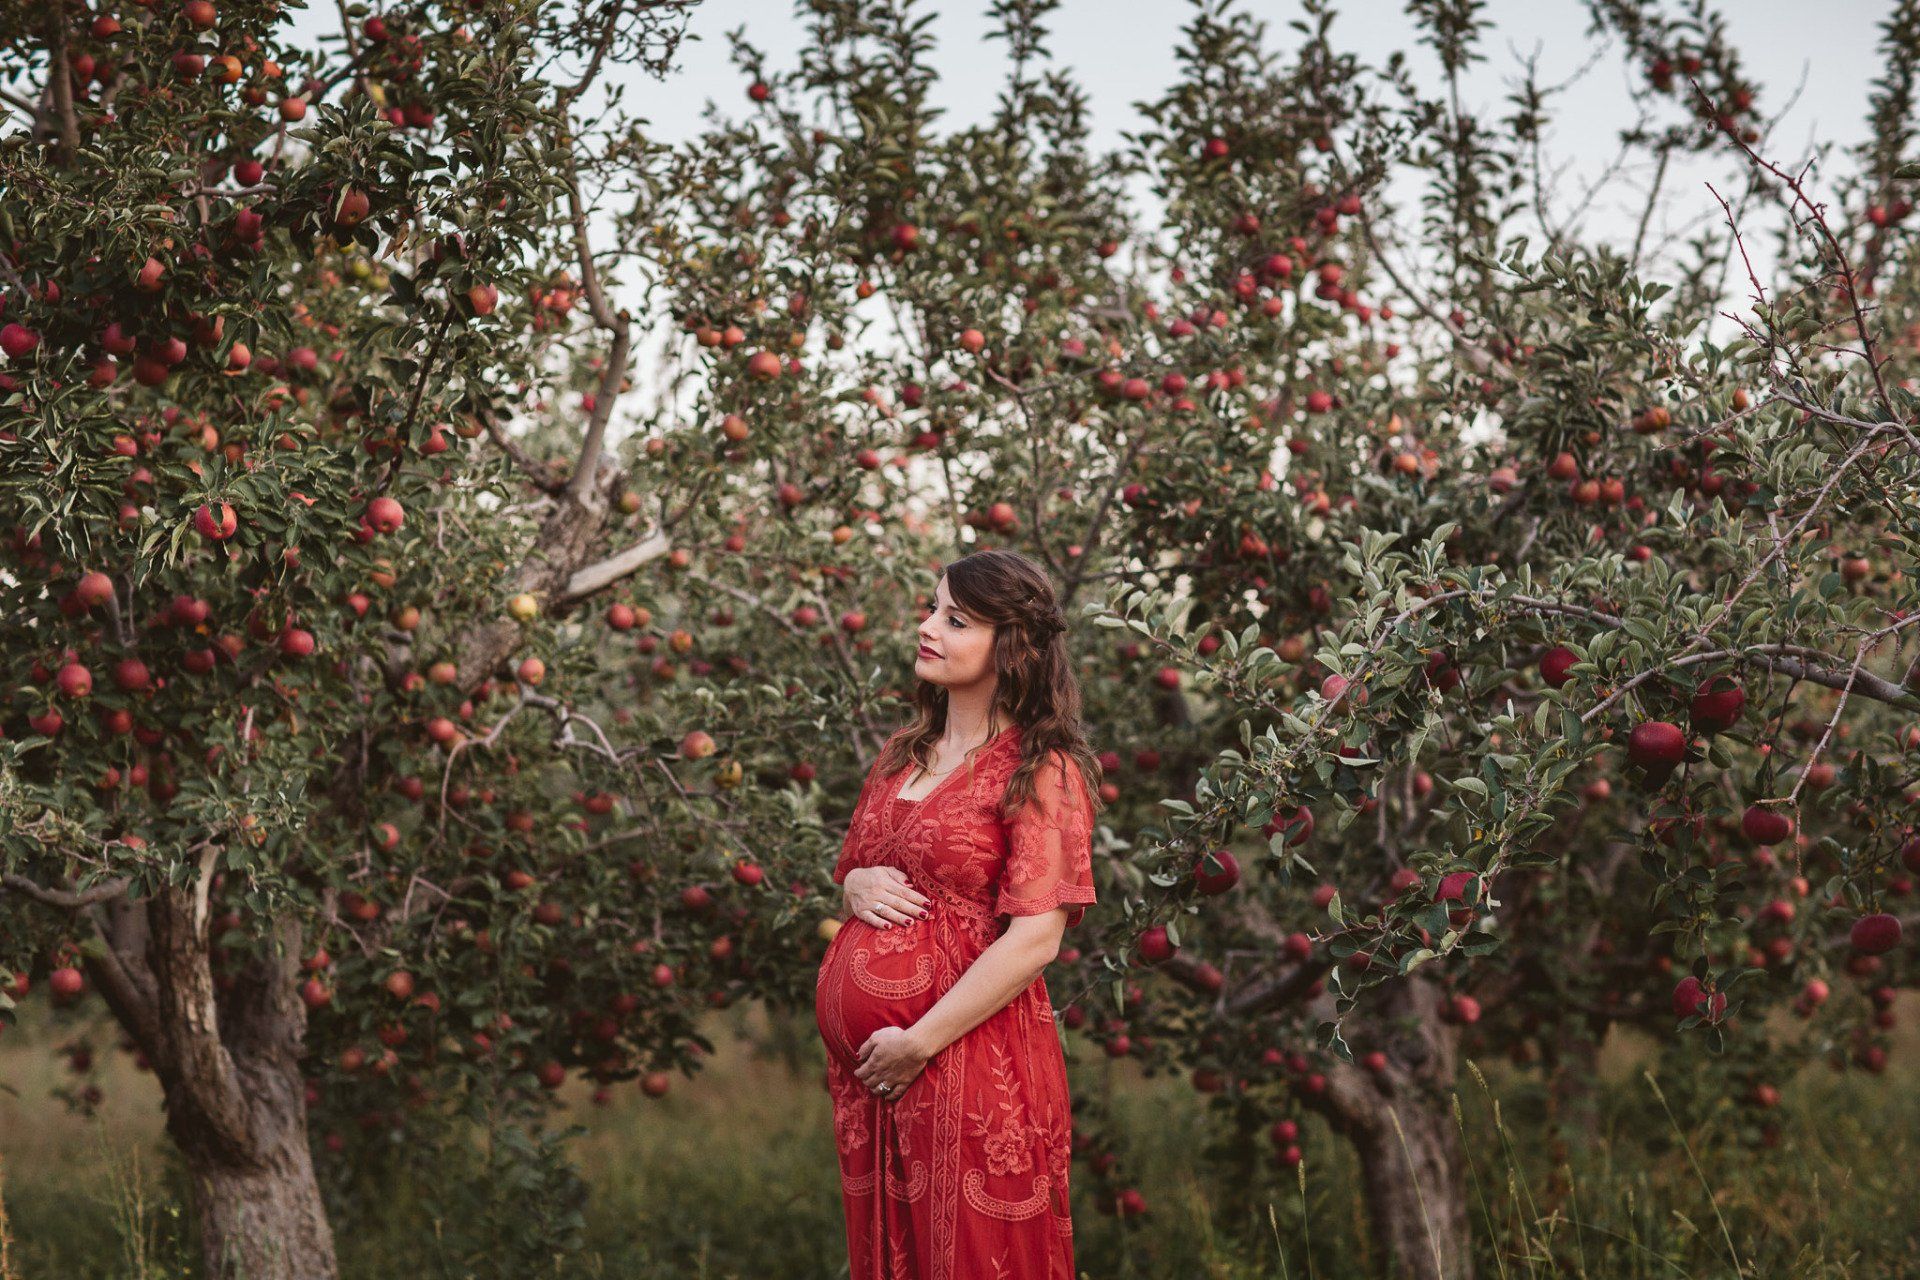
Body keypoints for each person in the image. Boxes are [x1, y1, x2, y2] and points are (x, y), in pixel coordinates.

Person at [815, 547, 1103, 1279]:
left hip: (966, 1056)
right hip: (874, 1082)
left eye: (956, 618)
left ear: (1010, 648)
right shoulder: (899, 755)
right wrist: (852, 888)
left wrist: (918, 1040)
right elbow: (855, 870)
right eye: (932, 608)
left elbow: (1037, 938)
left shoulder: (1041, 770)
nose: (928, 627)